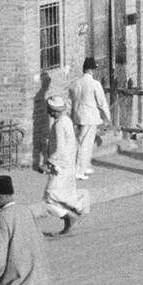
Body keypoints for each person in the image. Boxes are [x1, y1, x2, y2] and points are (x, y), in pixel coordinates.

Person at [43, 96, 84, 235]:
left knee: (50, 196)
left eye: (50, 110)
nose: (48, 112)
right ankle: (69, 222)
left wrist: (50, 162)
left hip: (61, 166)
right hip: (66, 165)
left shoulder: (60, 124)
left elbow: (60, 148)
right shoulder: (65, 121)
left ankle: (70, 217)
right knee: (61, 195)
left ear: (54, 110)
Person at [69, 57, 111, 180]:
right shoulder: (95, 84)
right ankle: (79, 170)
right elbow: (102, 102)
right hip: (90, 117)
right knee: (85, 144)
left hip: (78, 116)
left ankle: (85, 165)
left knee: (81, 141)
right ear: (92, 70)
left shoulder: (76, 83)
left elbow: (72, 99)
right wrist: (107, 118)